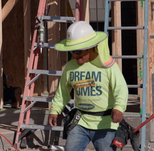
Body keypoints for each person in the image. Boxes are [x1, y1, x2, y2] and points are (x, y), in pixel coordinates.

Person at [48, 20, 128, 151]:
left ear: (90, 46)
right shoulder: (70, 67)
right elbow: (63, 92)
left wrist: (119, 107)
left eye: (78, 51)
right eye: (72, 51)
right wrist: (54, 110)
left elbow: (121, 88)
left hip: (105, 123)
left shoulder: (107, 66)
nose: (75, 55)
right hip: (81, 122)